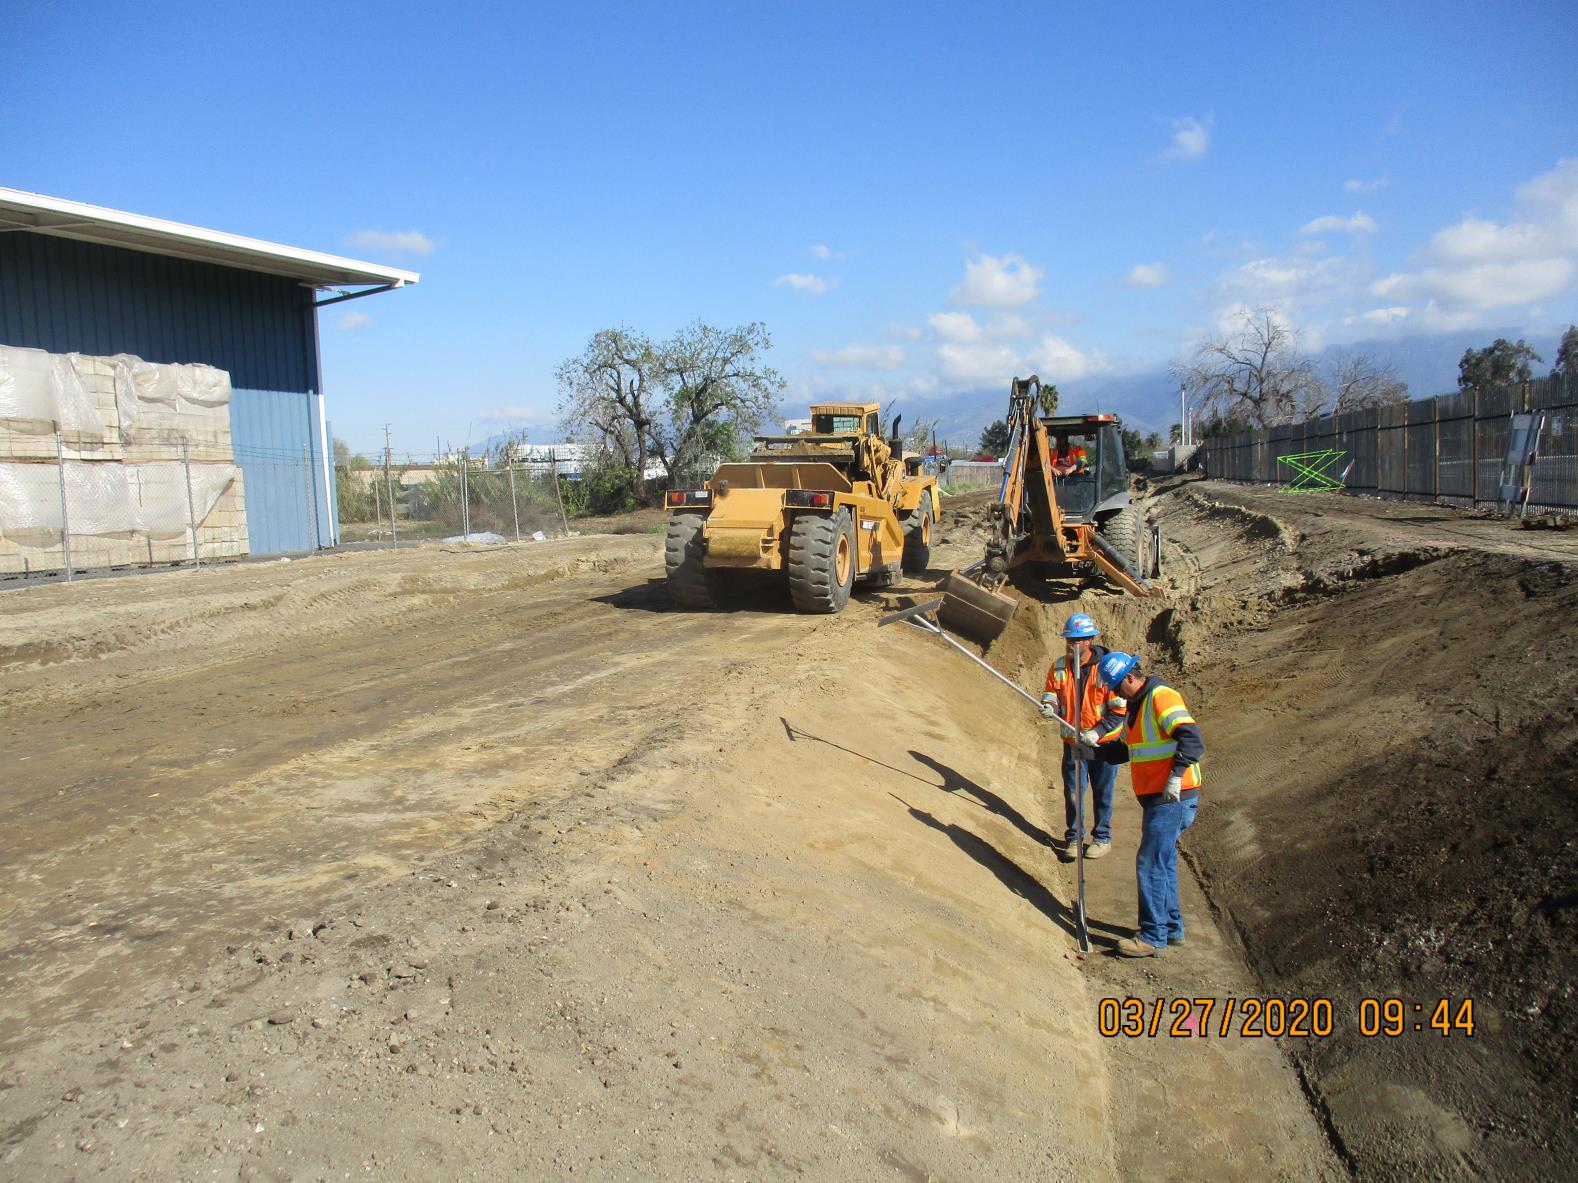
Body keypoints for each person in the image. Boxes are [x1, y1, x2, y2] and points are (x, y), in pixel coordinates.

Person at [1093, 651, 1204, 958]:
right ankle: (1170, 928)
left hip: (1172, 797)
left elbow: (1192, 739)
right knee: (1163, 861)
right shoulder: (1136, 706)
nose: (1114, 693)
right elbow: (1125, 751)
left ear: (1130, 677)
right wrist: (1091, 749)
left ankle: (1153, 935)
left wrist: (1175, 776)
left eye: (1116, 687)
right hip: (1159, 798)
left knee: (1150, 862)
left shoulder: (1160, 696)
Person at [1040, 614, 1127, 862]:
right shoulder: (1059, 666)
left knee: (1103, 791)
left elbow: (1118, 711)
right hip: (1074, 744)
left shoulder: (1107, 670)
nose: (1070, 645)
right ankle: (1074, 839)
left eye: (1076, 640)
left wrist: (1096, 733)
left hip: (1103, 745)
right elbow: (1051, 692)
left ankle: (1102, 838)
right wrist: (1050, 706)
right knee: (1073, 791)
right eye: (1068, 640)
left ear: (1089, 640)